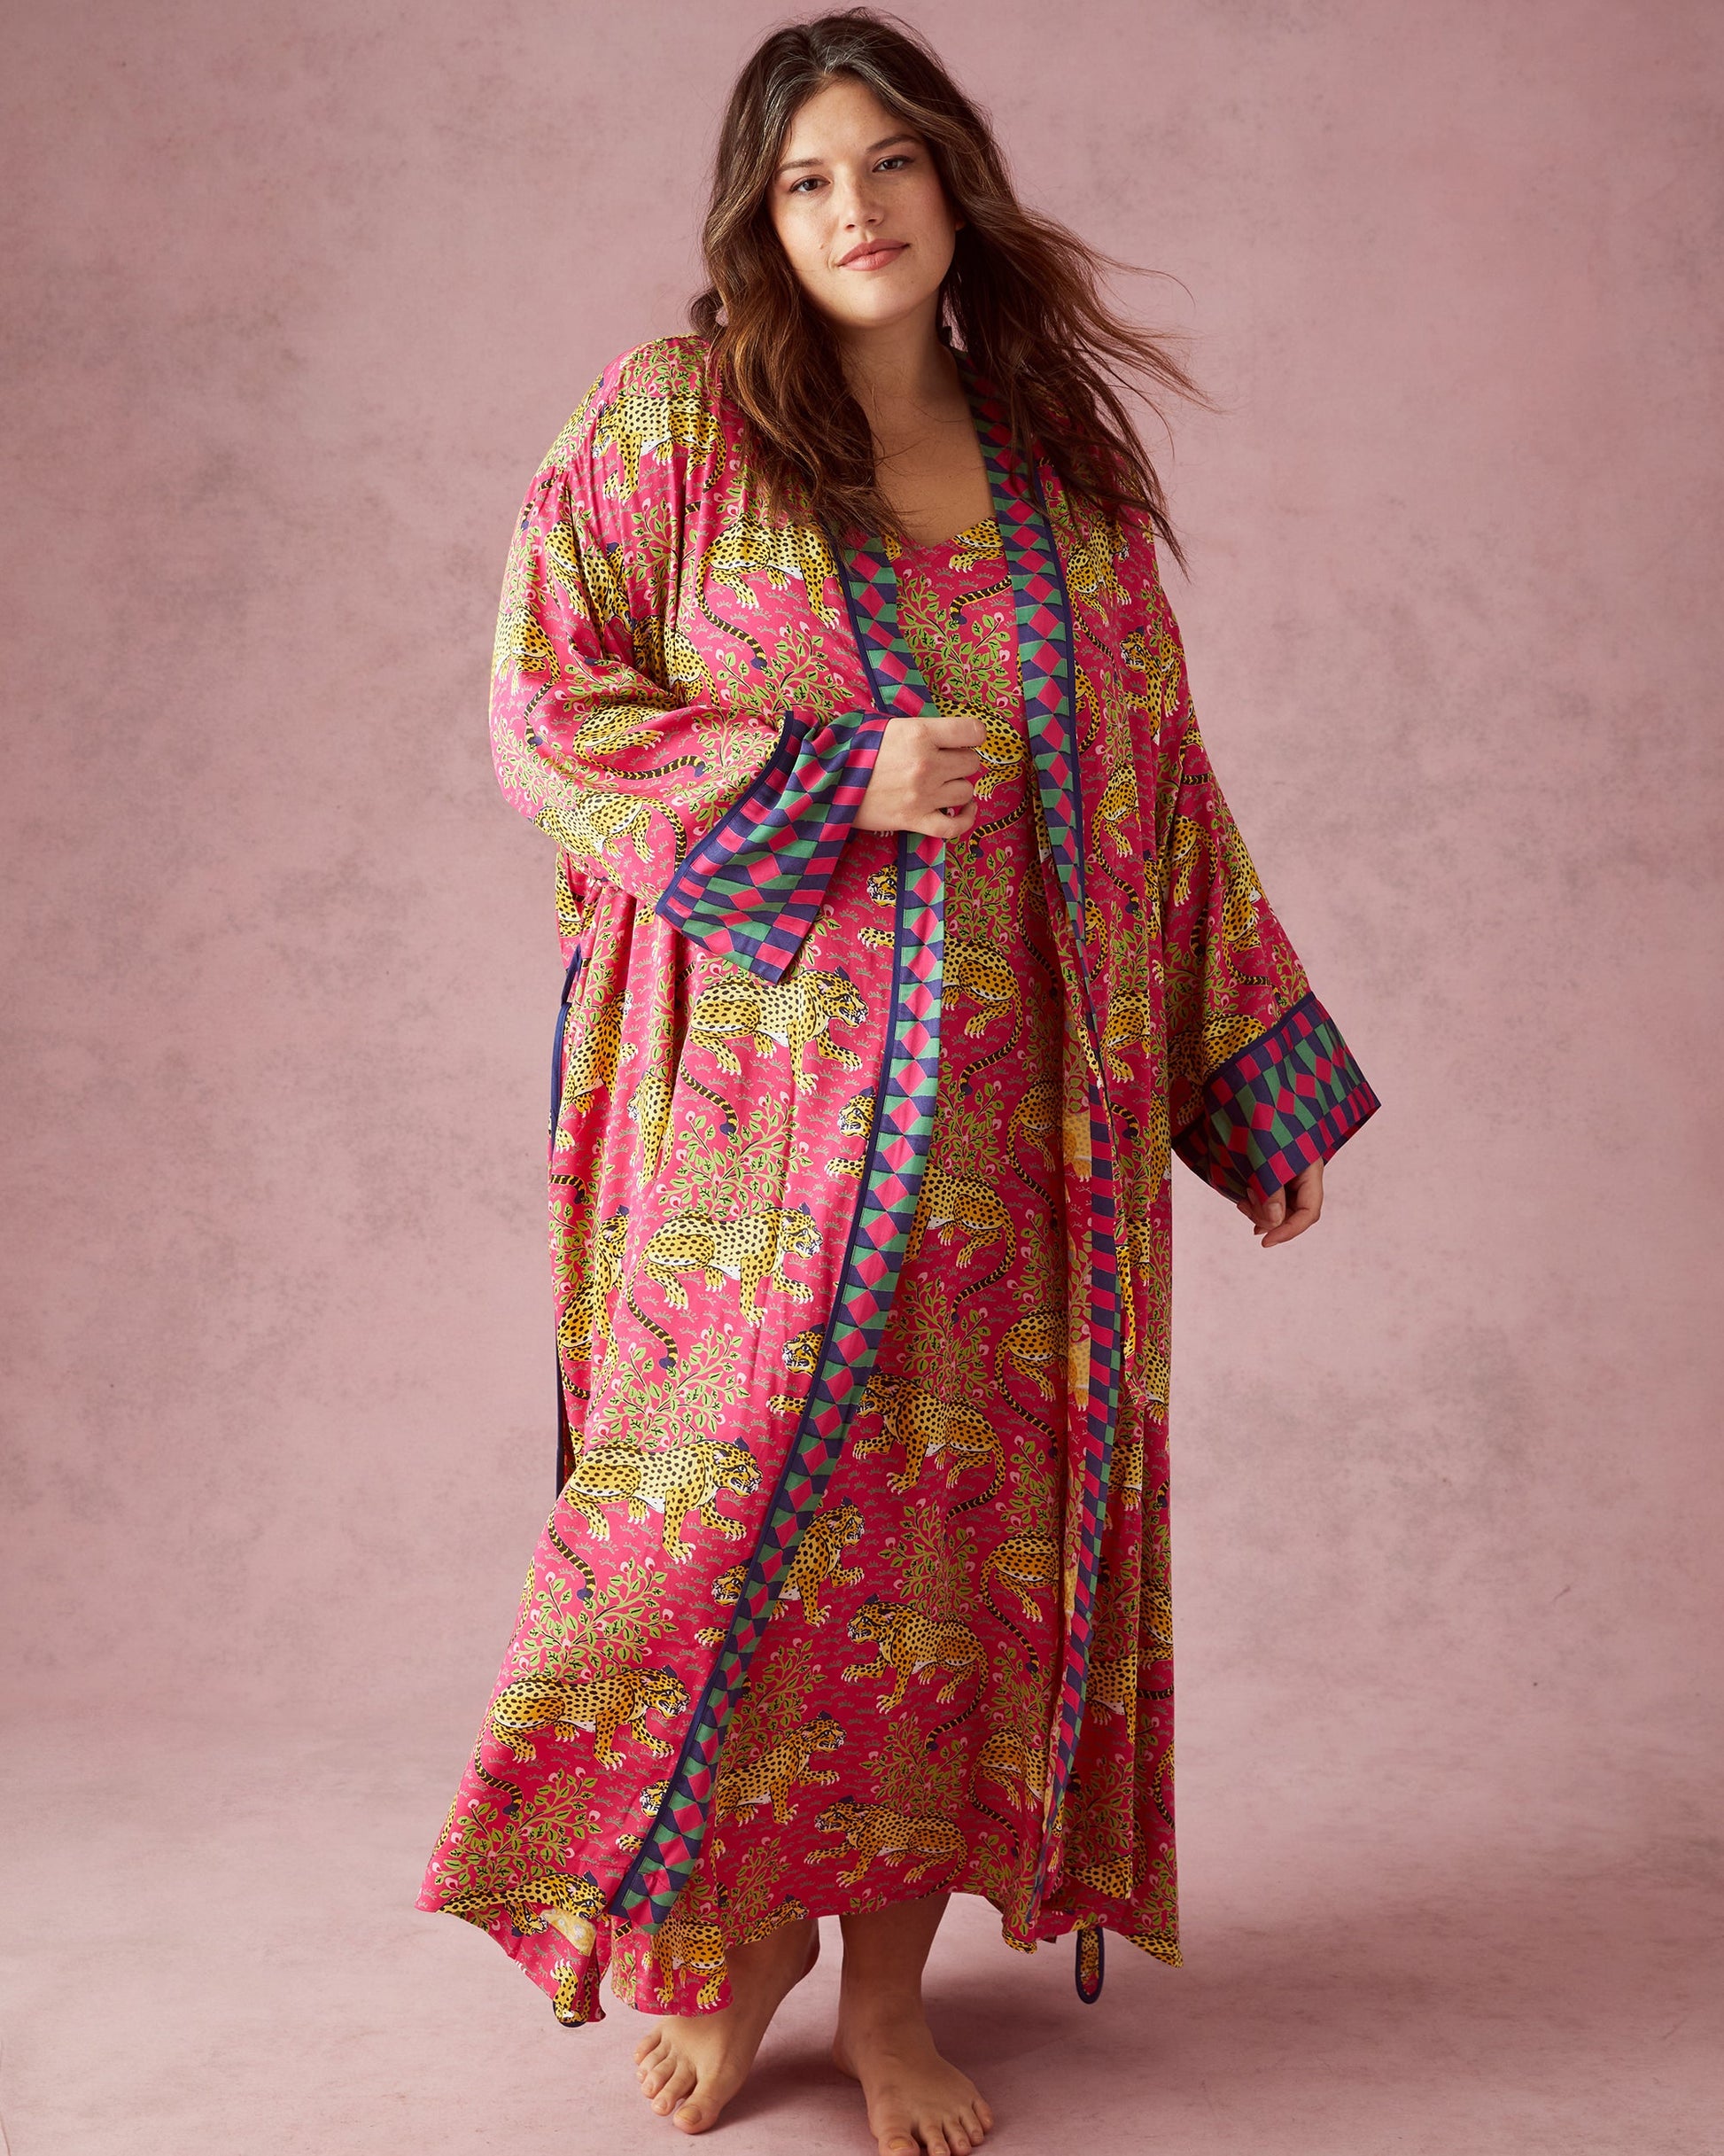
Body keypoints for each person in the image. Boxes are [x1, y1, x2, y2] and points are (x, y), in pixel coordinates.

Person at [418, 12, 1378, 2153]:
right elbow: (545, 709)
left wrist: (1244, 1089)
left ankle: (881, 1997)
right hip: (754, 1132)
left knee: (955, 1555)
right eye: (804, 181)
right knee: (702, 1528)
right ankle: (733, 1934)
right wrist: (831, 775)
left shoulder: (1059, 464)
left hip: (1021, 1133)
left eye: (887, 165)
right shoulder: (675, 423)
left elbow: (1161, 787)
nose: (853, 210)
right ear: (756, 219)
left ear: (954, 182)